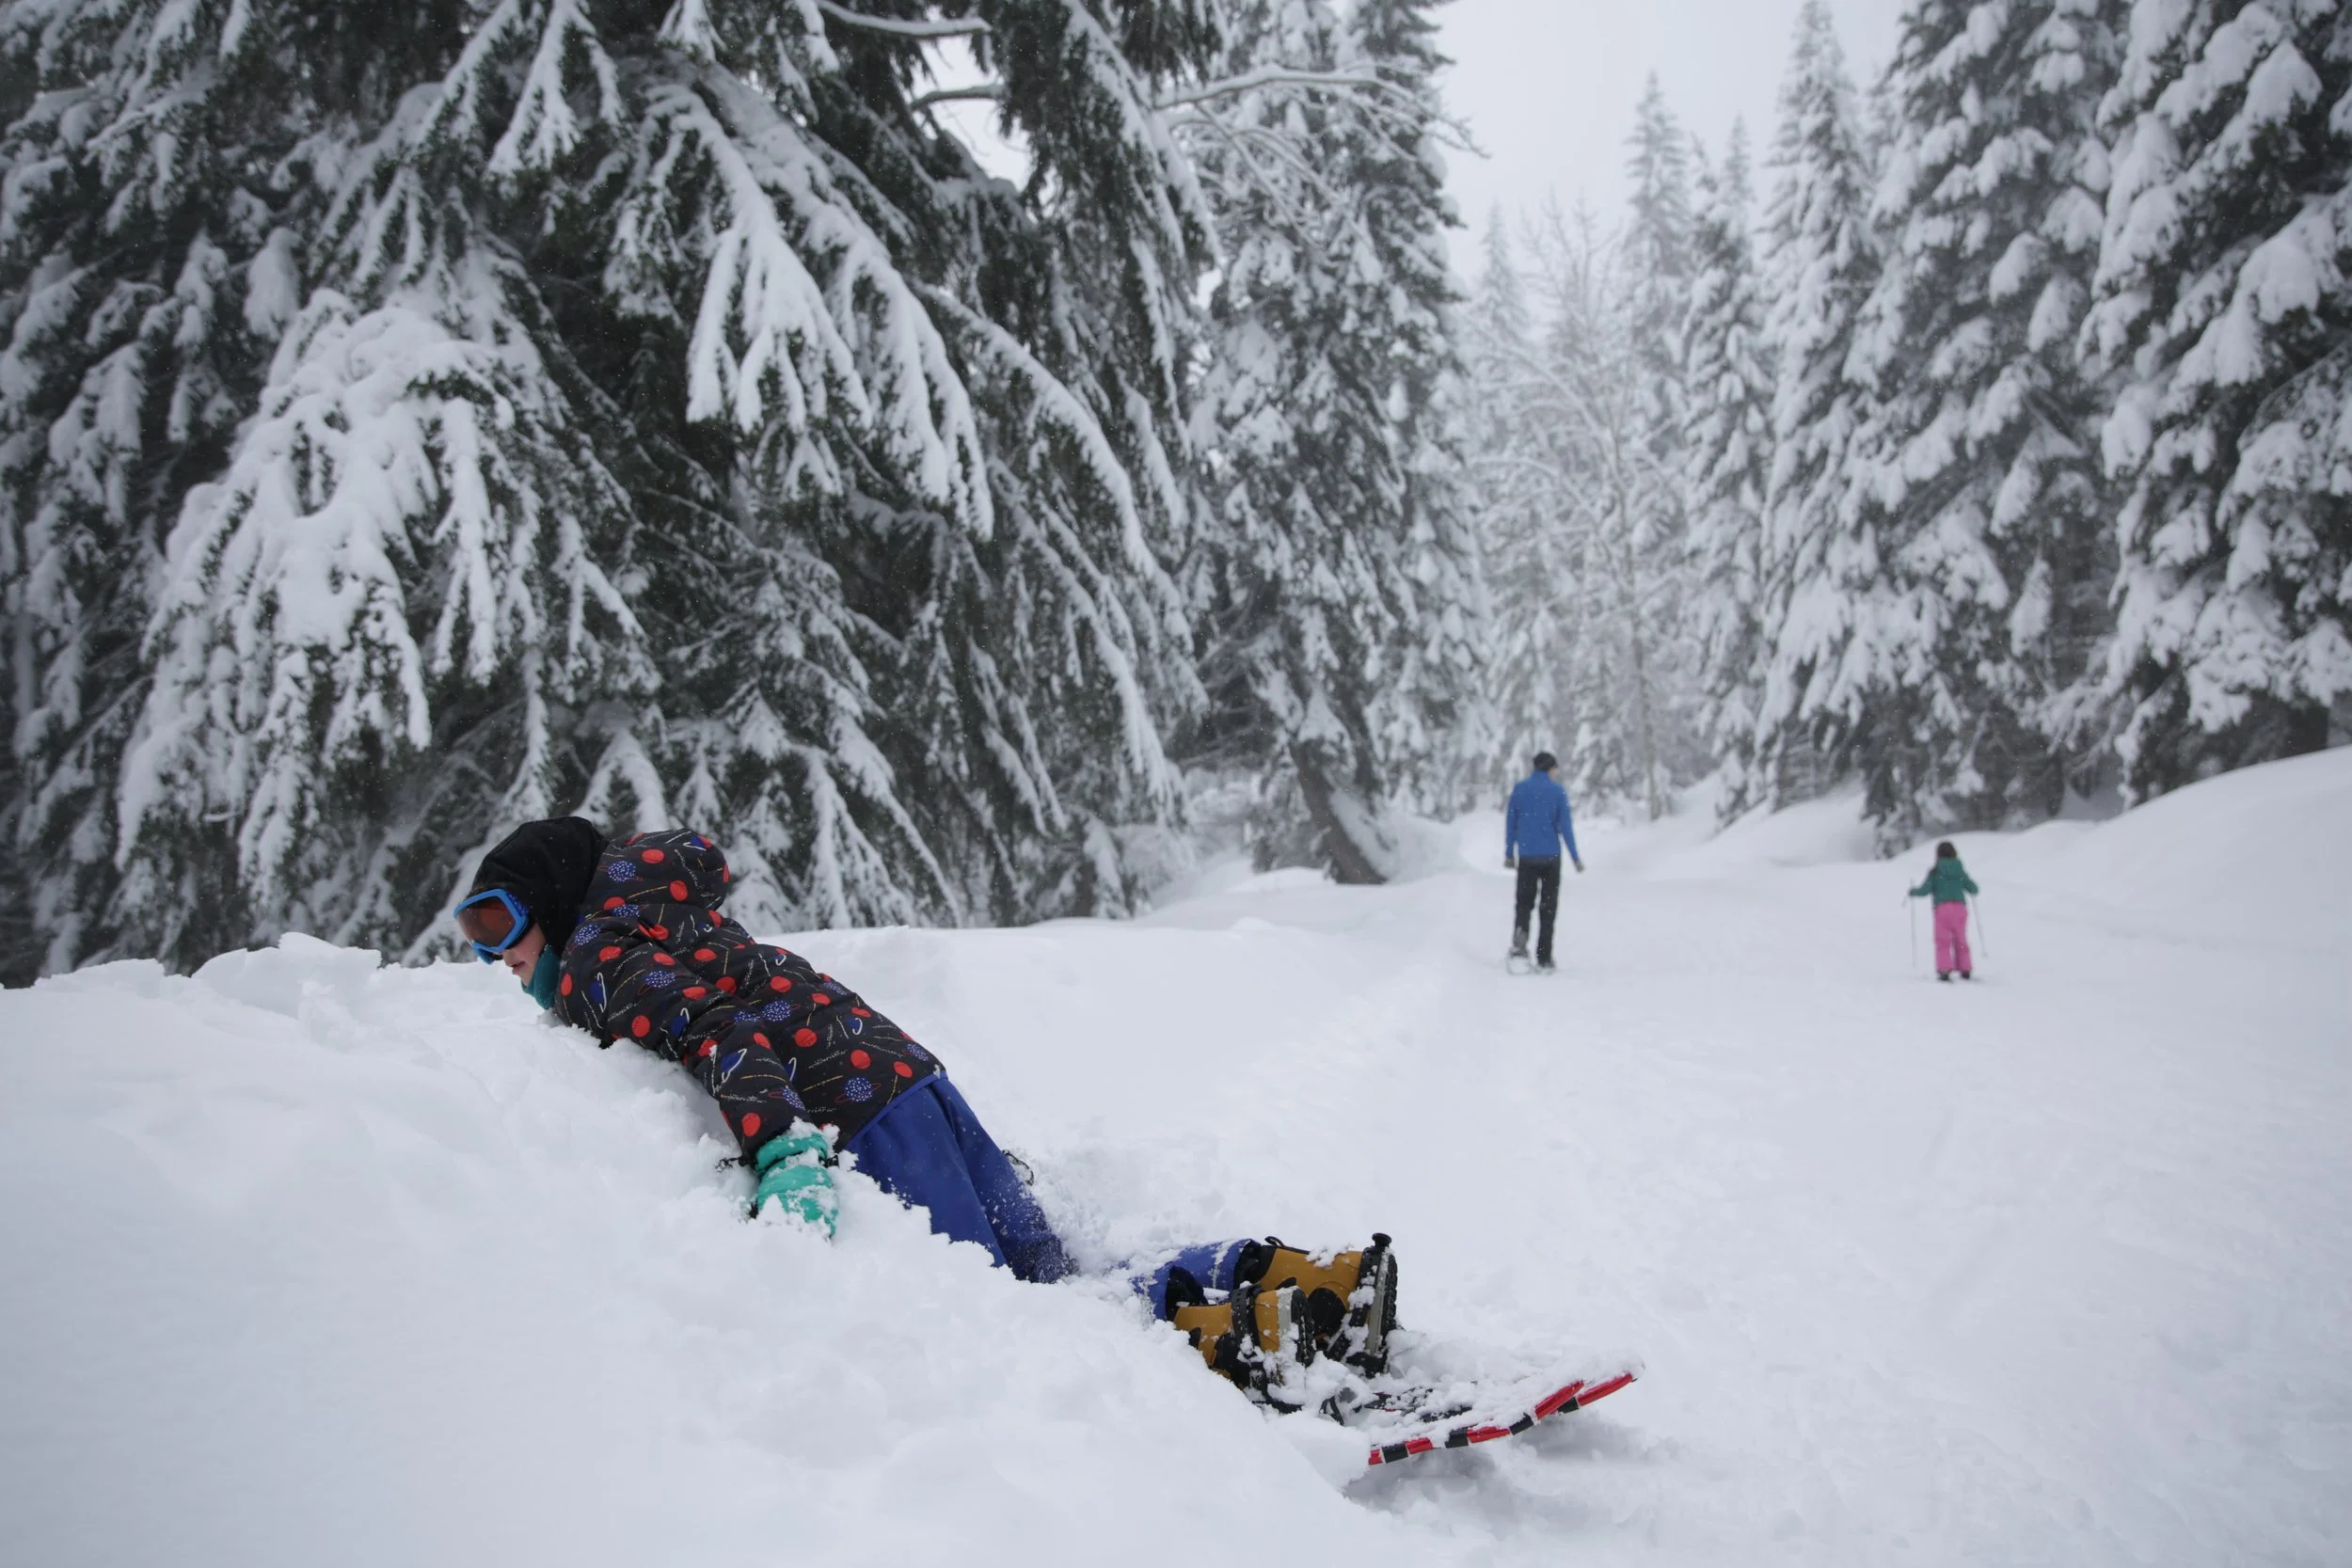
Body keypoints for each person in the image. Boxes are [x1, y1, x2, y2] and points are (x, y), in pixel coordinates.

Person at [454, 818, 1397, 1405]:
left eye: (497, 922)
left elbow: (721, 1030)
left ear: (553, 905)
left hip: (864, 1119)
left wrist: (784, 1149)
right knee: (1062, 1281)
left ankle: (1274, 1342)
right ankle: (1313, 1282)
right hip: (912, 1081)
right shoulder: (665, 919)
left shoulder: (597, 962)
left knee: (1044, 1321)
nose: (493, 954)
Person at [1503, 750, 1581, 972]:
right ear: (1550, 768)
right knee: (1548, 908)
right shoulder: (1557, 792)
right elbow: (1565, 827)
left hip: (1527, 858)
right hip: (1551, 858)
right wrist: (1575, 857)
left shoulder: (1520, 790)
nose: (1556, 773)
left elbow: (1512, 824)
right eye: (1555, 768)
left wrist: (1509, 852)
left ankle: (1519, 949)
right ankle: (1544, 956)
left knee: (1524, 904)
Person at [1909, 840, 1979, 981]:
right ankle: (1965, 969)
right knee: (1961, 939)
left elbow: (1925, 890)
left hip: (1942, 909)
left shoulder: (1935, 872)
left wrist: (1913, 892)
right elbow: (1973, 889)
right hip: (1960, 908)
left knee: (1943, 941)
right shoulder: (1960, 871)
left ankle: (1944, 969)